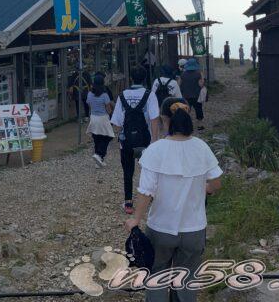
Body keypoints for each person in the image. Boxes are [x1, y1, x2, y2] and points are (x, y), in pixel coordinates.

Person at [125, 98, 223, 302]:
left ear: (163, 119)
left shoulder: (155, 150)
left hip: (161, 228)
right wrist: (203, 189)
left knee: (157, 276)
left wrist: (135, 219)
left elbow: (146, 192)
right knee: (187, 279)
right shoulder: (201, 147)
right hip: (194, 230)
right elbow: (215, 184)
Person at [111, 66, 160, 215]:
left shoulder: (122, 95)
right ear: (145, 79)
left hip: (126, 141)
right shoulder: (149, 95)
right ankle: (149, 197)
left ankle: (128, 203)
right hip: (145, 139)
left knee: (128, 171)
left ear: (131, 78)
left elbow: (117, 122)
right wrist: (155, 141)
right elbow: (154, 119)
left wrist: (120, 137)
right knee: (148, 169)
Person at [86, 74, 115, 167]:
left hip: (93, 118)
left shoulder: (89, 94)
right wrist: (111, 113)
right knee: (108, 136)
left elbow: (89, 105)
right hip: (103, 118)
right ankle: (99, 154)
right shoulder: (105, 95)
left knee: (96, 138)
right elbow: (108, 109)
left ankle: (98, 161)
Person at [179, 58, 205, 131]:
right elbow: (201, 85)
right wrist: (202, 77)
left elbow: (179, 84)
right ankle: (200, 126)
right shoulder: (198, 74)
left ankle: (186, 126)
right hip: (196, 96)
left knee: (186, 110)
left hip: (186, 96)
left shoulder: (183, 74)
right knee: (198, 110)